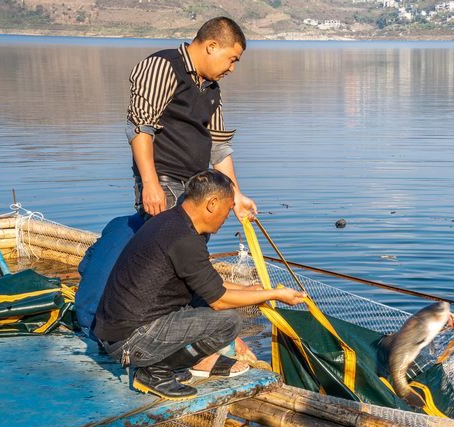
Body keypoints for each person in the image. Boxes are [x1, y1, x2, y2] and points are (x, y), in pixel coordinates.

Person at [94, 169, 305, 400]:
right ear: (212, 203)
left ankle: (164, 364)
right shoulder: (185, 239)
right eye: (227, 209)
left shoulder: (171, 221)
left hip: (114, 333)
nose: (227, 218)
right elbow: (219, 300)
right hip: (129, 342)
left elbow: (208, 283)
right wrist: (274, 294)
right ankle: (154, 371)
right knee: (228, 323)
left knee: (202, 299)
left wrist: (251, 291)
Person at [127, 16, 256, 220]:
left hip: (197, 188)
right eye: (232, 59)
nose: (232, 69)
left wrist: (236, 196)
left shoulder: (212, 88)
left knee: (192, 249)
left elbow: (218, 147)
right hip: (164, 183)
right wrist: (150, 184)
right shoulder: (163, 66)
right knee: (169, 248)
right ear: (212, 46)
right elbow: (140, 126)